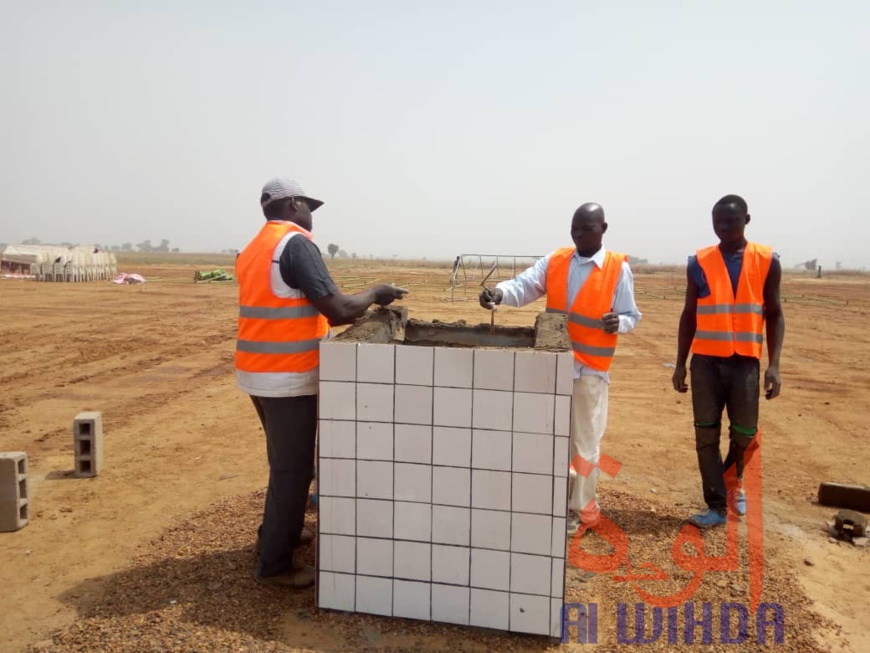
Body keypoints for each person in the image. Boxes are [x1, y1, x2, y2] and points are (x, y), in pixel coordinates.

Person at [236, 177, 407, 587]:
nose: (311, 215)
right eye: (308, 206)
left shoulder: (255, 247)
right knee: (292, 470)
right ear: (293, 204)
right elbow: (339, 309)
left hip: (257, 371)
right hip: (288, 374)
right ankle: (274, 563)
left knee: (285, 463)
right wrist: (377, 292)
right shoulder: (294, 244)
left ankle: (283, 534)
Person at [479, 203, 641, 538]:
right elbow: (525, 285)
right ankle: (551, 500)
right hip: (553, 365)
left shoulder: (616, 269)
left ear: (603, 229)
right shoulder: (557, 261)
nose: (579, 234)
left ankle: (582, 512)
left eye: (587, 228)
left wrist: (618, 322)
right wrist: (499, 293)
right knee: (550, 438)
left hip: (590, 371)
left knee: (584, 443)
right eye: (575, 228)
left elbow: (631, 315)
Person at [672, 194, 784, 529]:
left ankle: (733, 484)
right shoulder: (699, 261)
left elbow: (775, 314)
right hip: (705, 364)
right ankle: (717, 504)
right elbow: (689, 315)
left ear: (746, 220)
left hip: (745, 364)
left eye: (731, 221)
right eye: (717, 222)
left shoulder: (767, 260)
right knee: (706, 437)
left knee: (745, 435)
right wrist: (680, 363)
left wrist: (774, 365)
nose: (723, 227)